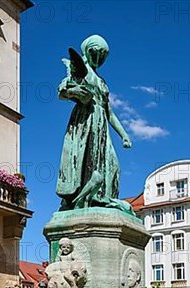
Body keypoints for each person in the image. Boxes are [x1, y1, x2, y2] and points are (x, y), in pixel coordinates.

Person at [56, 35, 133, 213]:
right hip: (84, 122)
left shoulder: (102, 82)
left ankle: (103, 198)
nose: (98, 59)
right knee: (86, 163)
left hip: (101, 126)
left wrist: (124, 135)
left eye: (102, 55)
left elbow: (110, 113)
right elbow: (62, 91)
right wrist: (77, 92)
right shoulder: (80, 71)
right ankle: (82, 199)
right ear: (87, 51)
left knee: (113, 165)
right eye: (95, 53)